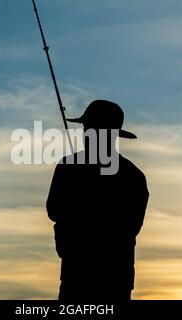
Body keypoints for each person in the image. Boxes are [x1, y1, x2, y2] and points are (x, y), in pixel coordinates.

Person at [46, 100, 149, 301]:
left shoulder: (68, 166)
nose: (85, 133)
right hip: (116, 278)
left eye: (88, 128)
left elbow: (54, 210)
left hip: (79, 275)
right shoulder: (134, 176)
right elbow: (132, 226)